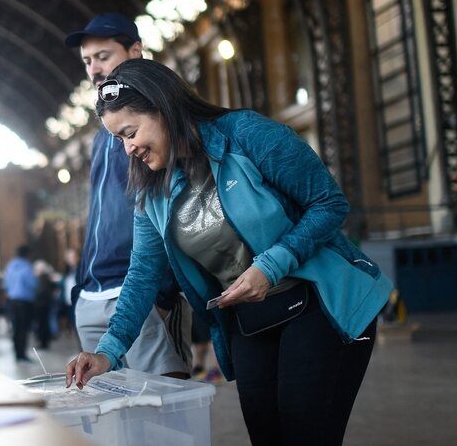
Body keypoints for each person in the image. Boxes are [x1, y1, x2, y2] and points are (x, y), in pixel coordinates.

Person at [65, 59, 393, 446]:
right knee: (266, 435)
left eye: (131, 132)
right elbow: (142, 275)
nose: (128, 148)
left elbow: (328, 203)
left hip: (322, 303)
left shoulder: (246, 134)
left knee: (306, 432)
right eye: (118, 140)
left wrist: (270, 266)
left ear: (164, 108)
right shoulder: (150, 192)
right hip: (251, 319)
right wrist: (108, 351)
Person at [65, 13, 191, 377]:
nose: (94, 69)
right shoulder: (103, 136)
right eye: (88, 61)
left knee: (166, 418)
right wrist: (80, 290)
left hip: (141, 293)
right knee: (112, 423)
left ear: (136, 51)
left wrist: (164, 294)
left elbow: (180, 204)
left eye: (103, 56)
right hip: (92, 295)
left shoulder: (163, 120)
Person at [2, 244, 36, 363]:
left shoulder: (10, 266)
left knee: (16, 328)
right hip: (24, 301)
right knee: (24, 328)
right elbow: (32, 284)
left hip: (12, 301)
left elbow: (5, 284)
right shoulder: (27, 266)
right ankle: (23, 355)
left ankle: (17, 354)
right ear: (27, 254)